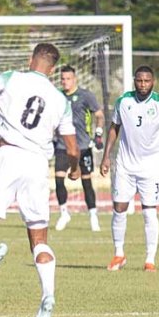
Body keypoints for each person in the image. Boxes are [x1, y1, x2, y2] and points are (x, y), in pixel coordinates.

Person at [0, 43, 79, 317]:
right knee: (39, 241)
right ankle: (47, 296)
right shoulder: (60, 100)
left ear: (31, 60)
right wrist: (74, 169)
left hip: (8, 156)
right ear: (52, 69)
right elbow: (73, 149)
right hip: (38, 165)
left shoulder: (12, 77)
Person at [99, 65, 159, 272]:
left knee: (149, 212)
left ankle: (150, 260)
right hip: (125, 165)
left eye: (147, 81)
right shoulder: (123, 101)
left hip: (150, 167)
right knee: (119, 208)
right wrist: (106, 156)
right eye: (139, 81)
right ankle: (119, 254)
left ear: (153, 82)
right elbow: (114, 128)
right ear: (134, 81)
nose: (143, 84)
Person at [53, 65, 105, 232]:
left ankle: (93, 215)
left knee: (86, 181)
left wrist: (98, 134)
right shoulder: (57, 96)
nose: (65, 82)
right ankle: (63, 213)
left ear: (74, 79)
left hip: (82, 145)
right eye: (63, 79)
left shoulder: (85, 95)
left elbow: (99, 115)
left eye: (68, 78)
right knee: (59, 178)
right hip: (63, 145)